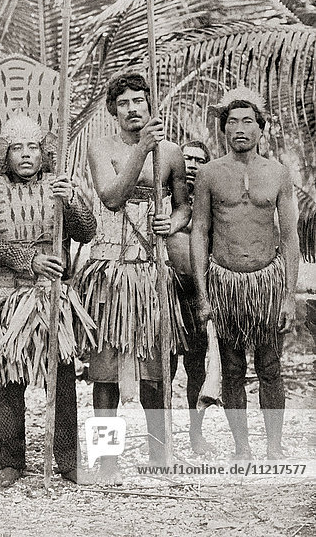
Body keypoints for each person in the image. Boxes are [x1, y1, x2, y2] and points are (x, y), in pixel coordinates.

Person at [0, 113, 96, 489]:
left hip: (52, 297)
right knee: (8, 380)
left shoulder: (59, 186)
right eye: (17, 148)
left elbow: (88, 230)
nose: (26, 155)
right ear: (6, 155)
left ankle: (67, 460)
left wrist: (74, 204)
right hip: (8, 296)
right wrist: (27, 259)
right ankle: (11, 460)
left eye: (33, 147)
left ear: (43, 151)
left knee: (62, 380)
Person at [74, 72, 190, 481]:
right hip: (108, 272)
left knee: (155, 371)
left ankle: (160, 456)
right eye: (124, 103)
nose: (133, 108)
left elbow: (183, 206)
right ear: (113, 110)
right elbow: (111, 197)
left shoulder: (172, 153)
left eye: (140, 100)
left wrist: (172, 224)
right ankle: (107, 460)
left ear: (150, 105)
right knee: (104, 373)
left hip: (150, 270)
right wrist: (142, 150)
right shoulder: (100, 147)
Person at [191, 86, 299, 460]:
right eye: (232, 121)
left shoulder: (278, 174)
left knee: (270, 366)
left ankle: (273, 446)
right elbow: (199, 232)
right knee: (233, 368)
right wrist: (203, 294)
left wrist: (288, 295)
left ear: (261, 129)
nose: (240, 128)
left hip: (266, 280)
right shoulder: (208, 174)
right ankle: (242, 448)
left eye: (248, 121)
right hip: (226, 282)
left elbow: (289, 237)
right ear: (223, 129)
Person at [166, 140, 214, 455]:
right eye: (187, 159)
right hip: (167, 289)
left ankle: (196, 436)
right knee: (163, 369)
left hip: (198, 290)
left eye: (199, 159)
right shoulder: (166, 200)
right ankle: (164, 439)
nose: (193, 165)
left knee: (196, 368)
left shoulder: (213, 201)